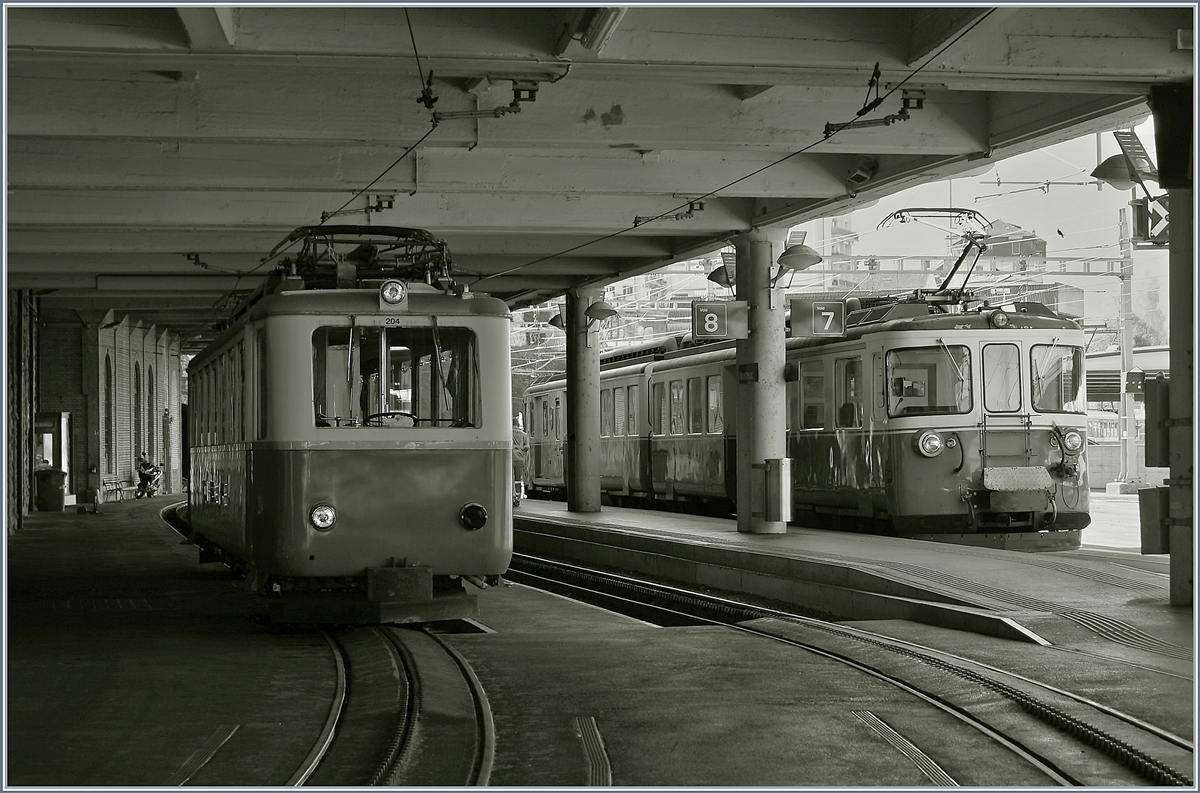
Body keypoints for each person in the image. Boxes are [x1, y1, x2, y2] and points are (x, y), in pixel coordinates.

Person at [512, 416, 530, 502]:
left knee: (509, 478)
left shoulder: (507, 433)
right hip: (519, 458)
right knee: (518, 479)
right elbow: (526, 447)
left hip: (510, 458)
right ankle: (518, 496)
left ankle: (511, 494)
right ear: (518, 424)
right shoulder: (524, 434)